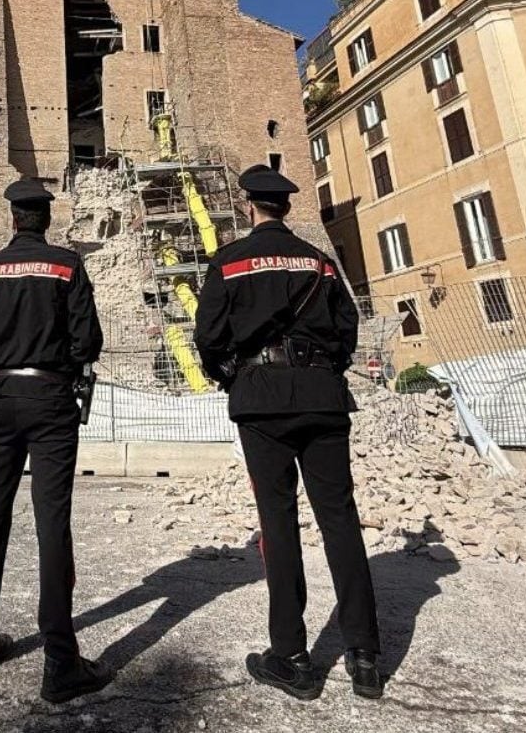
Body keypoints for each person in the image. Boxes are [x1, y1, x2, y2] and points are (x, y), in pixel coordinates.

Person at [193, 164, 382, 701]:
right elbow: (348, 328)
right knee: (340, 521)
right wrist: (322, 369)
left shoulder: (229, 261)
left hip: (262, 398)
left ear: (248, 204)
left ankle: (292, 657)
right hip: (322, 394)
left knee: (278, 525)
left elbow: (209, 336)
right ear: (288, 207)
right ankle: (365, 656)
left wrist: (234, 376)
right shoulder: (319, 261)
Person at [0, 178, 114, 704]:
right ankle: (59, 660)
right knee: (53, 523)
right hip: (50, 401)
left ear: (12, 219)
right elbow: (88, 340)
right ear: (46, 219)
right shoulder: (68, 265)